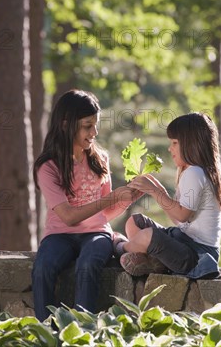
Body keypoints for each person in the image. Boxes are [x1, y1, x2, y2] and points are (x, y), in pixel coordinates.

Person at [31, 90, 140, 321]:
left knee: (88, 264)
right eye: (87, 126)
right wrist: (112, 198)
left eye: (95, 125)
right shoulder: (48, 167)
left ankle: (83, 332)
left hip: (97, 234)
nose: (94, 132)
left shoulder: (99, 159)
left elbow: (105, 213)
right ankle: (45, 331)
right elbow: (69, 217)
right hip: (59, 234)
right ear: (66, 125)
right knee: (43, 267)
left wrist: (126, 198)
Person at [113, 112, 221, 279]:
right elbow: (179, 220)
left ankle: (120, 247)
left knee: (149, 236)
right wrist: (158, 189)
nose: (170, 148)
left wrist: (156, 192)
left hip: (197, 256)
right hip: (184, 242)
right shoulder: (196, 172)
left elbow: (181, 216)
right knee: (136, 221)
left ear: (192, 144)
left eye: (175, 143)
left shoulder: (195, 173)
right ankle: (153, 261)